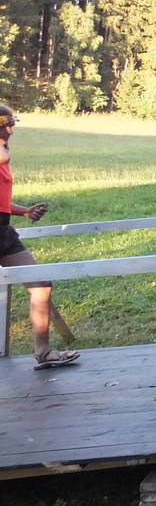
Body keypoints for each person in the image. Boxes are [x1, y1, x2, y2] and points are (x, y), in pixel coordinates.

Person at [0, 105, 80, 370]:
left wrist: (23, 211)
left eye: (12, 125)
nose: (11, 132)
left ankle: (43, 352)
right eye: (6, 126)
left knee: (40, 284)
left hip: (4, 233)